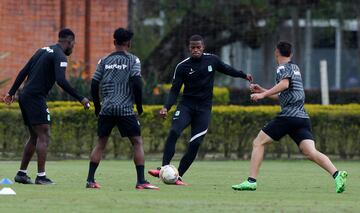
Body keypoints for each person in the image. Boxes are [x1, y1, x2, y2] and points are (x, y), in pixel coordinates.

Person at [231, 41, 348, 193]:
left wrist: (262, 95)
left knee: (258, 143)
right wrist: (264, 90)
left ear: (276, 52)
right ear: (291, 54)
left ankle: (251, 181)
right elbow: (284, 94)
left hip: (288, 116)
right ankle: (337, 174)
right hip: (302, 118)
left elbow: (284, 85)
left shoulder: (282, 68)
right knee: (310, 152)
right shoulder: (295, 67)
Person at [148, 35, 253, 185]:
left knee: (195, 144)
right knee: (174, 131)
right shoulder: (182, 66)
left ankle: (178, 176)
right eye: (193, 48)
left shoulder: (212, 60)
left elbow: (227, 69)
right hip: (186, 106)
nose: (196, 50)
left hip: (203, 110)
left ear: (203, 47)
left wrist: (243, 75)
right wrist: (166, 107)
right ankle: (164, 167)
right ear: (189, 48)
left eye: (198, 47)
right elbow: (174, 90)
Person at [3, 28, 90, 185]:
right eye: (73, 44)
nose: (73, 48)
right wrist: (81, 98)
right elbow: (61, 81)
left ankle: (21, 174)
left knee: (35, 135)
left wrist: (11, 92)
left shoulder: (42, 50)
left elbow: (24, 71)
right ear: (70, 42)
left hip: (24, 95)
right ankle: (41, 177)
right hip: (35, 97)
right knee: (44, 134)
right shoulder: (60, 56)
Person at [86, 28, 159, 190]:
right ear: (129, 43)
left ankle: (90, 180)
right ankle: (141, 181)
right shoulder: (133, 60)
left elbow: (94, 83)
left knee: (100, 143)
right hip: (125, 109)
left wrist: (98, 106)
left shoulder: (104, 60)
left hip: (107, 109)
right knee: (137, 142)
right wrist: (139, 105)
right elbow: (136, 82)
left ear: (114, 42)